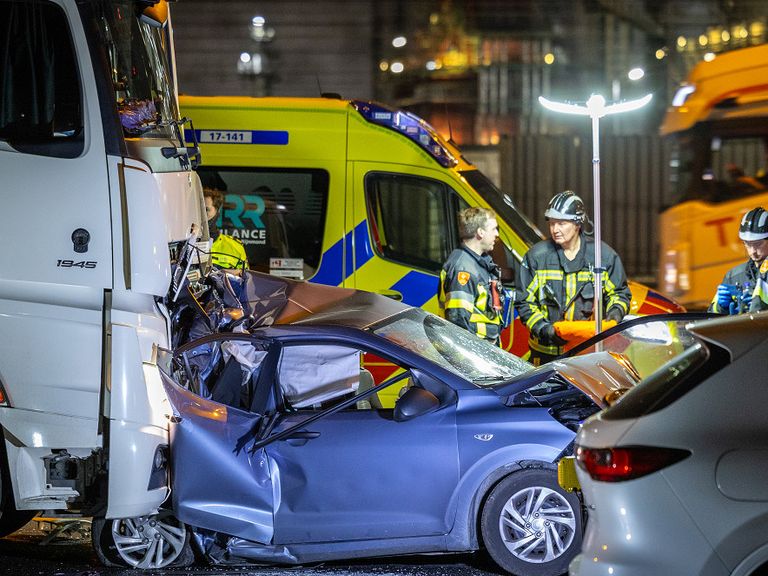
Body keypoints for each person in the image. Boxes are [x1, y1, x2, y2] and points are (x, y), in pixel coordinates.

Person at [515, 191, 632, 366]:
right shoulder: (537, 257)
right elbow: (525, 303)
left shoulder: (602, 257)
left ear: (577, 223)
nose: (555, 229)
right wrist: (545, 330)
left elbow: (619, 294)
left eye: (561, 223)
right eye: (552, 223)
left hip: (586, 353)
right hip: (545, 354)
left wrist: (615, 315)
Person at [439, 207, 505, 345]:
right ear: (480, 232)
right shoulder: (464, 269)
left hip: (483, 348)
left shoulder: (476, 263)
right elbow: (458, 322)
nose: (497, 234)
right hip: (474, 353)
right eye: (493, 229)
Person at [709, 207, 768, 314]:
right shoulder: (733, 276)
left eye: (758, 244)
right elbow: (711, 319)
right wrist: (722, 306)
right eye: (747, 244)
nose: (752, 251)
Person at [203, 187, 249, 271]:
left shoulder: (235, 247)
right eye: (198, 210)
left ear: (217, 211)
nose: (201, 215)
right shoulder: (183, 245)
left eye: (206, 210)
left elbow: (245, 280)